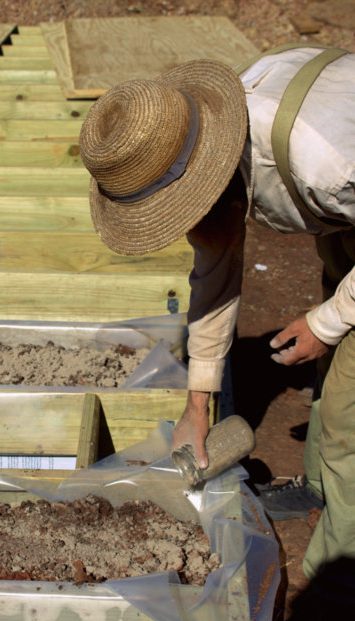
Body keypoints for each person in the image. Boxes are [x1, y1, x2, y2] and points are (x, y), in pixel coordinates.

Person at [78, 47, 354, 580]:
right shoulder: (209, 135)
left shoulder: (324, 164)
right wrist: (198, 406)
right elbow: (215, 275)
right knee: (334, 361)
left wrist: (326, 321)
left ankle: (336, 577)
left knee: (348, 407)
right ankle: (319, 487)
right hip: (343, 219)